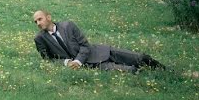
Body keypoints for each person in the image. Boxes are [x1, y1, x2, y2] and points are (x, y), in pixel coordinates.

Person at [32, 10, 164, 73]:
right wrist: (67, 62)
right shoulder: (40, 39)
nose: (38, 23)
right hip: (91, 65)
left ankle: (165, 71)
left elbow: (84, 45)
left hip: (100, 52)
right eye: (36, 21)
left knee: (140, 57)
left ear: (48, 17)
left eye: (40, 19)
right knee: (129, 71)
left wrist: (78, 60)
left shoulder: (68, 26)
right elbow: (48, 59)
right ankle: (150, 77)